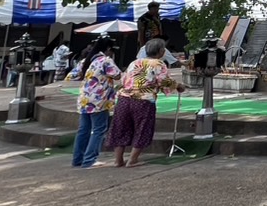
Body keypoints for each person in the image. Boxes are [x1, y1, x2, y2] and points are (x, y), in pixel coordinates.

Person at [106, 38, 184, 167]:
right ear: (161, 51)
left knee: (120, 127)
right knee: (143, 128)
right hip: (143, 100)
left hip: (124, 98)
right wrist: (178, 86)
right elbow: (164, 81)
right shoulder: (158, 64)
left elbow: (124, 80)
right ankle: (132, 160)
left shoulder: (134, 62)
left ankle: (118, 160)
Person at [71, 37, 121, 168]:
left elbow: (73, 75)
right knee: (98, 130)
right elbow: (117, 75)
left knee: (83, 130)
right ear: (108, 49)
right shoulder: (105, 60)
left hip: (84, 98)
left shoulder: (86, 60)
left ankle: (77, 158)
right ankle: (89, 159)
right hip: (99, 99)